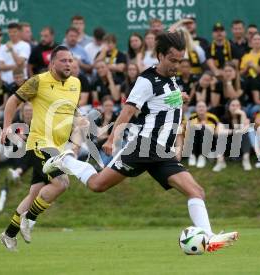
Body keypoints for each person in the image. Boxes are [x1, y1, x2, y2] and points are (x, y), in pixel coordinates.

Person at [43, 31, 239, 252]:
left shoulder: (172, 78)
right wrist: (113, 138)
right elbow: (127, 112)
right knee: (98, 185)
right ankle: (65, 160)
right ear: (159, 55)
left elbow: (159, 103)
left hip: (162, 151)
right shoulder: (145, 81)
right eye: (172, 60)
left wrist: (179, 97)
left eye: (180, 60)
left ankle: (209, 238)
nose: (176, 65)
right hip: (143, 145)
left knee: (197, 192)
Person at [0, 46, 81, 251]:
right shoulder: (38, 81)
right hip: (40, 143)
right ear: (52, 63)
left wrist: (77, 140)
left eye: (70, 60)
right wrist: (7, 125)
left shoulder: (76, 83)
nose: (68, 64)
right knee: (62, 182)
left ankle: (8, 235)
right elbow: (12, 101)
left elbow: (72, 114)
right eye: (63, 60)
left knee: (35, 193)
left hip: (60, 148)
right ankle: (30, 219)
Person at [215, 99, 252, 171]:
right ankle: (220, 162)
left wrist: (243, 114)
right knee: (221, 135)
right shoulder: (224, 118)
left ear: (241, 107)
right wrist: (233, 131)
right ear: (228, 107)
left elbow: (244, 130)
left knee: (245, 134)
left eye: (238, 105)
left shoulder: (244, 117)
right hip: (228, 147)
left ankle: (246, 160)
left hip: (240, 147)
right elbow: (218, 131)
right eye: (233, 105)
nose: (235, 107)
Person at [187, 101, 219, 168]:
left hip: (209, 142)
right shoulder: (192, 118)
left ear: (206, 108)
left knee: (204, 129)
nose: (201, 108)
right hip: (195, 143)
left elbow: (217, 133)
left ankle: (202, 156)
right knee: (194, 129)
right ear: (196, 109)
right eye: (199, 107)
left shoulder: (212, 118)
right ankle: (192, 155)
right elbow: (187, 131)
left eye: (203, 106)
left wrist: (205, 127)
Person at [93, 96, 118, 166]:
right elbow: (100, 137)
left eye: (110, 105)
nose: (109, 107)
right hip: (103, 143)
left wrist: (107, 137)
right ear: (102, 107)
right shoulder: (99, 119)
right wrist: (106, 121)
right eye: (106, 105)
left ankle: (102, 165)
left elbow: (118, 135)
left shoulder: (117, 117)